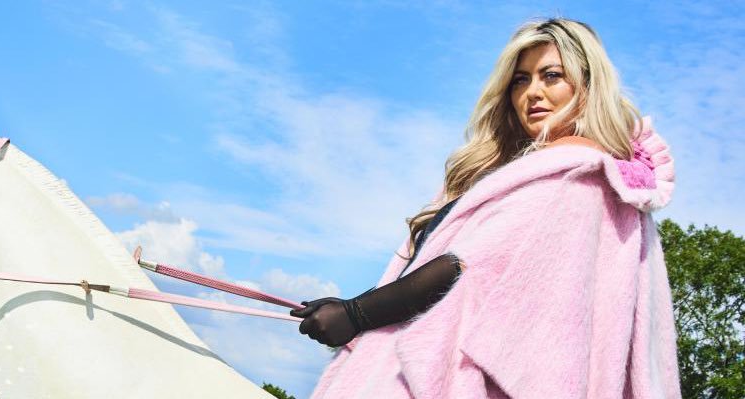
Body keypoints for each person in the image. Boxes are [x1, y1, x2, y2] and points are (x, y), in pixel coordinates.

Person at [291, 18, 680, 398]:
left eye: (552, 76)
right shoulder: (517, 174)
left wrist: (357, 313)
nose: (532, 92)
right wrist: (352, 309)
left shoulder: (574, 179)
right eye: (521, 80)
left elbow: (467, 267)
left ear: (588, 86)